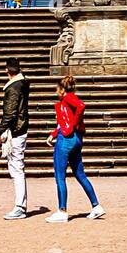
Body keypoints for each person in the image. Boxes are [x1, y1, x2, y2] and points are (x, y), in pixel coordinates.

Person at [46, 75, 104, 223]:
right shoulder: (68, 100)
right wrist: (54, 134)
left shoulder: (68, 98)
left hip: (66, 139)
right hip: (76, 138)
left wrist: (71, 126)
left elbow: (81, 106)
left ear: (62, 89)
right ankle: (96, 206)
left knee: (60, 176)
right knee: (80, 174)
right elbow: (64, 121)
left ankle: (62, 210)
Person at [0, 57, 31, 217]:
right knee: (17, 167)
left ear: (7, 70)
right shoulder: (23, 83)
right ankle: (20, 205)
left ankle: (20, 206)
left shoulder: (13, 87)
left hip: (16, 129)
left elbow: (10, 113)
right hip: (20, 127)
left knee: (16, 168)